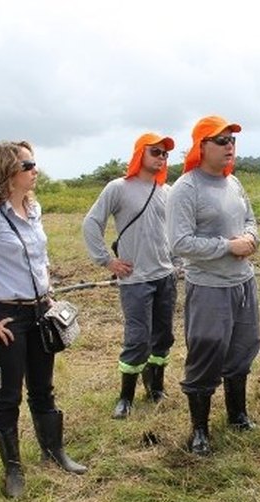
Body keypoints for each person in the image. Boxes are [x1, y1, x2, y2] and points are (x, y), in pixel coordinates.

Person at [0, 140, 86, 499]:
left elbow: (38, 258)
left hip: (39, 311)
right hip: (8, 316)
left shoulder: (34, 208)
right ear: (6, 172)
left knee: (43, 388)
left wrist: (49, 293)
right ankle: (13, 470)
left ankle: (54, 451)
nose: (35, 170)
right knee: (7, 396)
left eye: (34, 164)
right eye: (27, 165)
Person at [166, 115, 260, 456]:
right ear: (201, 146)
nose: (229, 147)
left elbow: (250, 219)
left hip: (244, 283)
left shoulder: (233, 183)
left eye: (232, 141)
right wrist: (226, 246)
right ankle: (200, 430)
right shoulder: (186, 188)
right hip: (208, 286)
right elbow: (178, 242)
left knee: (244, 347)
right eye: (221, 141)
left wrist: (251, 237)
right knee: (206, 350)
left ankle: (237, 414)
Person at [83, 133, 178, 419]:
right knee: (138, 338)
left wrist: (178, 261)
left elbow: (177, 229)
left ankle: (156, 387)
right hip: (135, 279)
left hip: (166, 276)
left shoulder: (168, 191)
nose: (161, 157)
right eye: (155, 152)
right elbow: (92, 222)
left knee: (163, 337)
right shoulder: (118, 188)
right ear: (140, 154)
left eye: (165, 154)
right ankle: (125, 397)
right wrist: (106, 261)